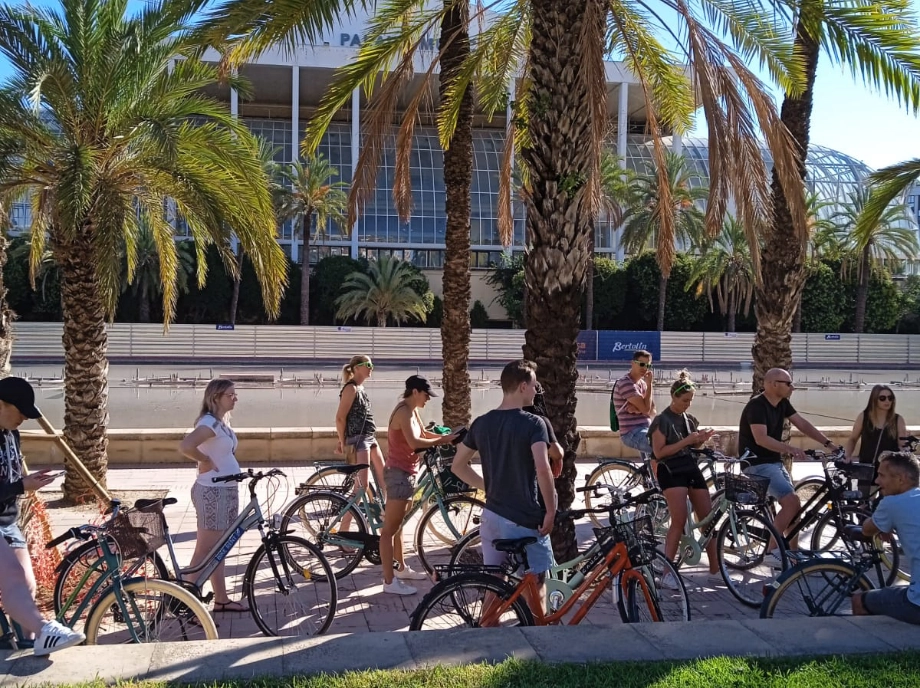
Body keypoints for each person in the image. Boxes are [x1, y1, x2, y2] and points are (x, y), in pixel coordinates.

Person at [451, 359, 556, 614]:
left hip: (493, 517)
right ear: (522, 386)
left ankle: (488, 627)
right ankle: (538, 640)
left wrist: (490, 487)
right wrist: (551, 510)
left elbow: (457, 466)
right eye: (533, 385)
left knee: (495, 583)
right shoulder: (534, 423)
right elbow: (543, 469)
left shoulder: (482, 422)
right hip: (524, 519)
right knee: (537, 585)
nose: (536, 390)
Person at [0, 376, 85, 654]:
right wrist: (21, 486)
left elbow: (10, 477)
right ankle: (44, 630)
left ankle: (28, 644)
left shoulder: (10, 433)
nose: (24, 417)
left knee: (27, 583)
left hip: (7, 521)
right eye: (20, 411)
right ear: (2, 404)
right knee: (13, 576)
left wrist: (28, 482)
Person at [737, 368, 837, 559]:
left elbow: (803, 424)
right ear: (774, 384)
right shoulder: (756, 406)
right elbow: (761, 439)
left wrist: (829, 444)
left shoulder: (782, 403)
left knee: (794, 508)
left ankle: (793, 552)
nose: (793, 387)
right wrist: (790, 449)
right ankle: (771, 552)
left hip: (774, 463)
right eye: (788, 383)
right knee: (792, 502)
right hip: (756, 463)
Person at [380, 376, 456, 595]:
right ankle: (388, 581)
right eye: (425, 395)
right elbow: (415, 443)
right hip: (398, 474)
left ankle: (401, 568)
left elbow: (424, 434)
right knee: (388, 531)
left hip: (408, 472)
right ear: (415, 392)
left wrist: (449, 436)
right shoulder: (403, 412)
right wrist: (443, 441)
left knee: (399, 525)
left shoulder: (413, 411)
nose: (427, 400)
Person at [179, 379, 248, 613]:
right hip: (213, 492)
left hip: (225, 490)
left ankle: (221, 599)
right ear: (216, 397)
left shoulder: (220, 423)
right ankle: (185, 601)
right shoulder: (209, 423)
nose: (235, 398)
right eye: (231, 394)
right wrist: (206, 461)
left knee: (218, 547)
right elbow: (186, 446)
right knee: (204, 550)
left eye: (235, 394)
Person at [647, 371, 718, 584]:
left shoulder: (689, 419)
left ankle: (716, 569)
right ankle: (668, 572)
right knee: (679, 519)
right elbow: (659, 452)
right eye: (685, 400)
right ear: (674, 397)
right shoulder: (662, 421)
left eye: (691, 401)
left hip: (689, 466)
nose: (687, 404)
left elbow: (692, 445)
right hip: (670, 469)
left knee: (708, 518)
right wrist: (687, 441)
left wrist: (701, 439)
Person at [852, 451, 920, 623]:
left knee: (858, 600)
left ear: (901, 479)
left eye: (882, 475)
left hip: (917, 603)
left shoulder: (892, 503)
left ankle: (868, 646)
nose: (877, 481)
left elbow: (867, 530)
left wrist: (883, 522)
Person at [335, 356, 386, 499]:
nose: (371, 368)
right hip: (359, 439)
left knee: (384, 478)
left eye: (372, 365)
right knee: (362, 486)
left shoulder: (360, 388)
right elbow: (340, 418)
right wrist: (342, 441)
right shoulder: (350, 388)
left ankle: (384, 515)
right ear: (357, 368)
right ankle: (345, 521)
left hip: (369, 437)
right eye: (367, 365)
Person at [843, 385, 907, 497]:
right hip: (867, 467)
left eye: (890, 398)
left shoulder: (898, 419)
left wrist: (905, 453)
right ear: (874, 399)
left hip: (889, 470)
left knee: (886, 504)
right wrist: (847, 455)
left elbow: (902, 444)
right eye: (882, 398)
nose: (887, 401)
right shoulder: (864, 417)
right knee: (864, 504)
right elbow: (853, 439)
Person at [611, 350, 656, 456]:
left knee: (652, 467)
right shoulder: (625, 383)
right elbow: (646, 410)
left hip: (645, 430)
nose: (644, 368)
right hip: (631, 432)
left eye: (648, 366)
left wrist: (637, 409)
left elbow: (653, 410)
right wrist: (650, 385)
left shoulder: (642, 384)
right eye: (641, 364)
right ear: (632, 363)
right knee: (660, 446)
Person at [524, 382, 563, 479]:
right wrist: (559, 457)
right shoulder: (540, 420)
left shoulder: (503, 418)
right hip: (533, 482)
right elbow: (556, 453)